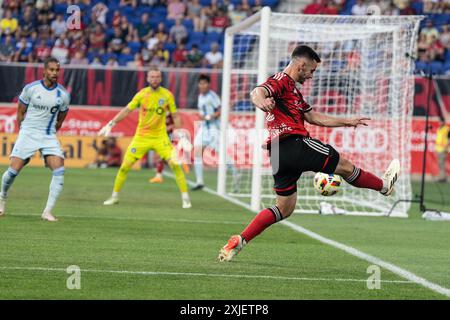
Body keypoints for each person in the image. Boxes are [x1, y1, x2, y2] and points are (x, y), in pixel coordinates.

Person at [218, 45, 400, 261]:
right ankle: (383, 186)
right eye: (311, 71)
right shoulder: (281, 81)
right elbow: (257, 92)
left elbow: (313, 117)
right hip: (293, 143)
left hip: (277, 154)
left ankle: (241, 240)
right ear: (301, 65)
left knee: (284, 208)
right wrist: (262, 101)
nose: (312, 75)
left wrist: (346, 121)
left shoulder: (293, 91)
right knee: (344, 166)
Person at [98, 67, 192, 209]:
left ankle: (186, 199)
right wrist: (111, 123)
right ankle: (114, 196)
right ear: (147, 78)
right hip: (141, 137)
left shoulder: (167, 95)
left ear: (161, 79)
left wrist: (182, 135)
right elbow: (127, 110)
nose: (154, 79)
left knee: (175, 165)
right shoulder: (142, 95)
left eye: (157, 77)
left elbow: (175, 115)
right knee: (124, 167)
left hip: (160, 138)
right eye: (152, 77)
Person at [0, 57, 70, 221]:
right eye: (51, 70)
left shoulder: (63, 95)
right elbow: (20, 113)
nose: (54, 73)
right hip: (28, 132)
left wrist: (50, 135)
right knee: (13, 170)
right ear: (44, 70)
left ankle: (47, 212)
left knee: (59, 169)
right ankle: (2, 199)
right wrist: (24, 133)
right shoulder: (31, 89)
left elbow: (60, 119)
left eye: (57, 70)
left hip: (48, 135)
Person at [191, 74, 238, 191]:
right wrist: (202, 117)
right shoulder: (200, 96)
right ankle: (199, 181)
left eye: (204, 83)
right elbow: (201, 113)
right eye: (200, 83)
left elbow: (220, 110)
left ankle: (236, 175)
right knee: (197, 152)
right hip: (204, 129)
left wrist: (209, 117)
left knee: (222, 156)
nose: (202, 85)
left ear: (208, 84)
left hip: (214, 129)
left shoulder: (212, 96)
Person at [435, 118, 449, 183]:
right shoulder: (438, 129)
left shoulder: (446, 129)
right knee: (440, 164)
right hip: (438, 148)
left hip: (444, 148)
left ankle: (442, 178)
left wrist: (447, 146)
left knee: (442, 163)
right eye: (439, 121)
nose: (439, 123)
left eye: (440, 121)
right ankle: (442, 177)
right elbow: (438, 139)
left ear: (443, 122)